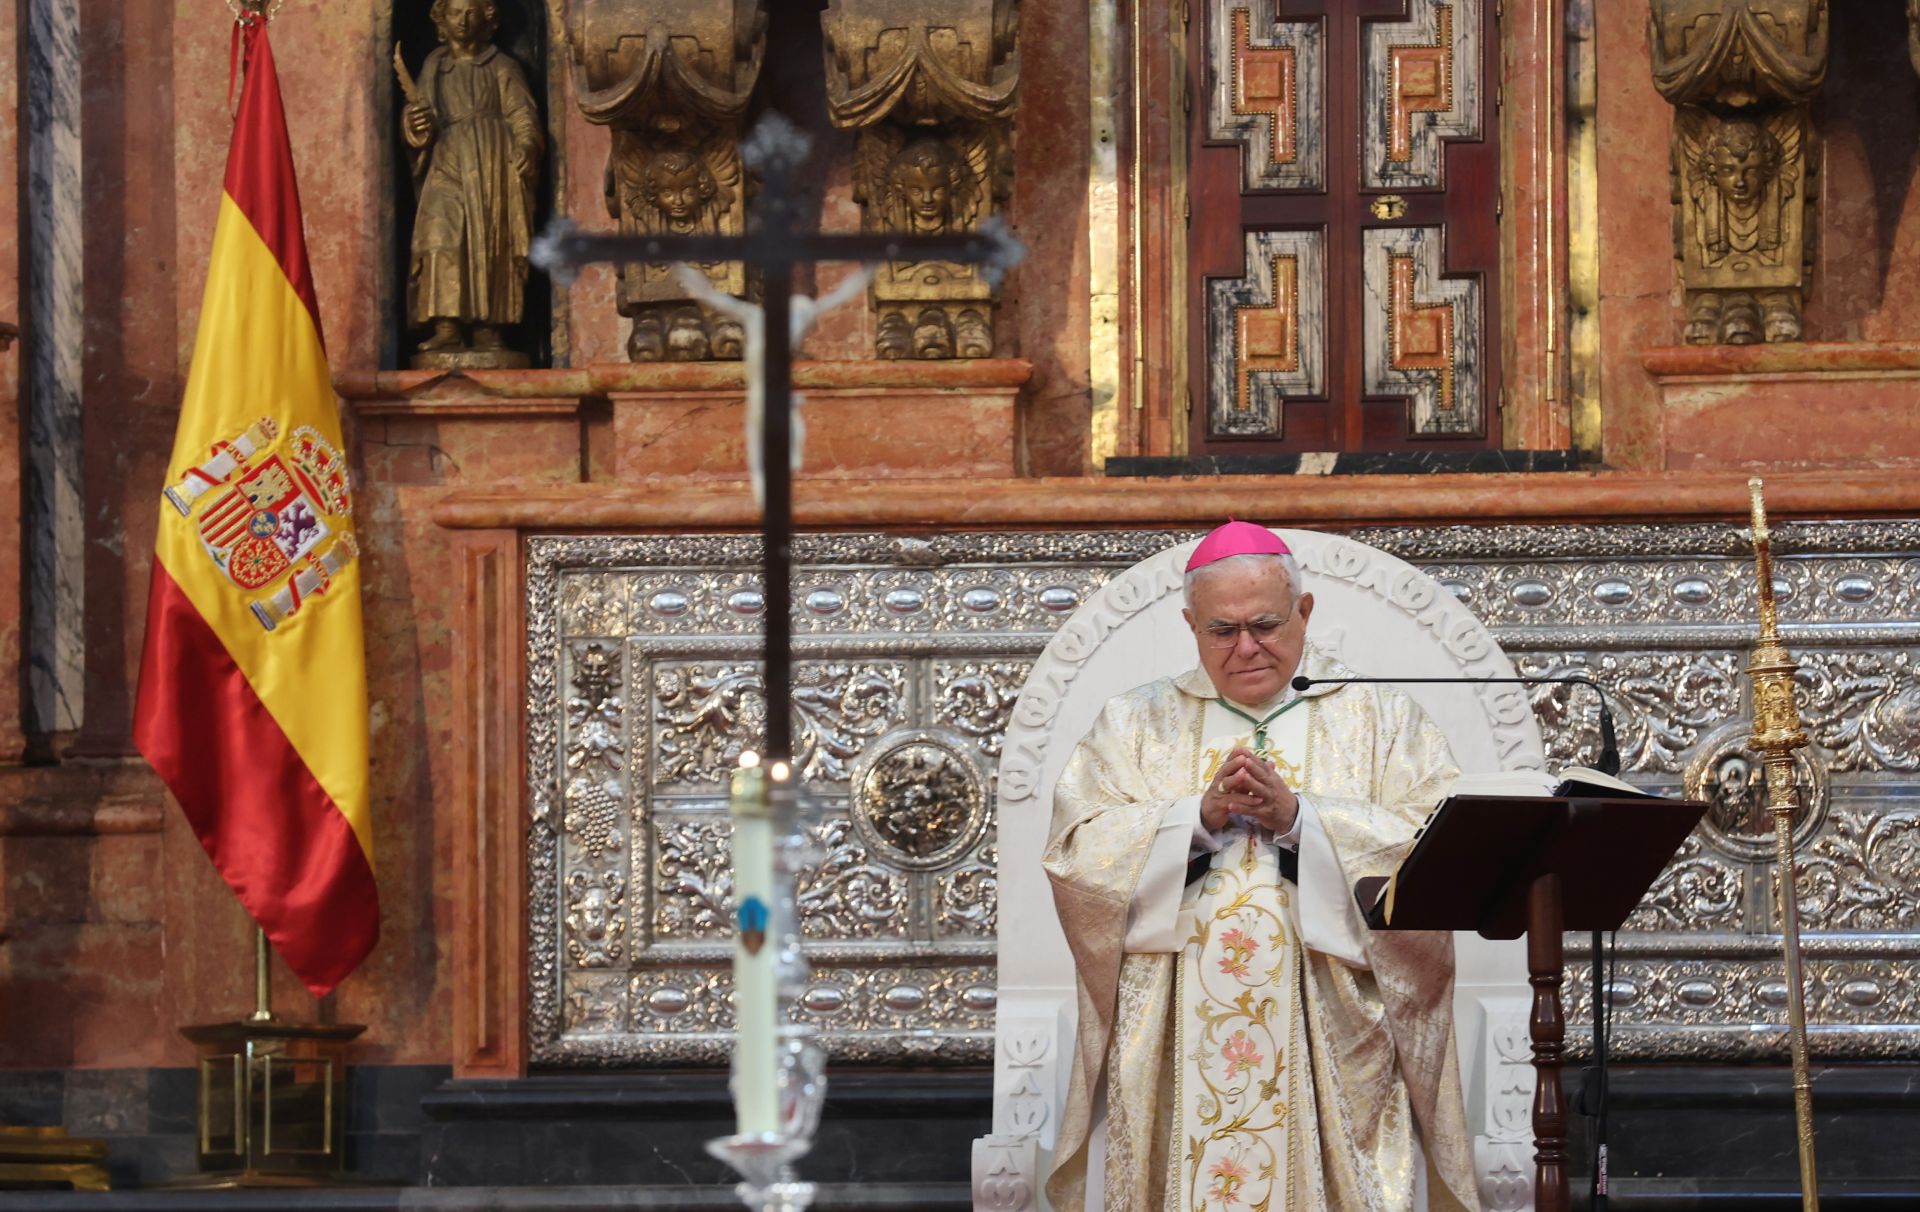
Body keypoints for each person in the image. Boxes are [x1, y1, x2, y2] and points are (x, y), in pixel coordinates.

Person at [1042, 521, 1480, 1211]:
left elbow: (1437, 852)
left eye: (1267, 624)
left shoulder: (1382, 719)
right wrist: (1192, 820)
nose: (1246, 647)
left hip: (1330, 1035)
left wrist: (1304, 821)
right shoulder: (1133, 725)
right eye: (1221, 630)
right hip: (1176, 1038)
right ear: (1190, 624)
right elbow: (1076, 856)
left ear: (1305, 613)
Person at [401, 0, 542, 359]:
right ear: (442, 21)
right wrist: (416, 128)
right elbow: (420, 120)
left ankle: (488, 329)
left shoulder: (502, 66)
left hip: (492, 162)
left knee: (490, 241)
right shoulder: (435, 66)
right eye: (455, 13)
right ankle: (445, 326)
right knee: (440, 236)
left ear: (488, 19)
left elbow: (522, 113)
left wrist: (526, 145)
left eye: (471, 12)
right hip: (446, 159)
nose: (463, 20)